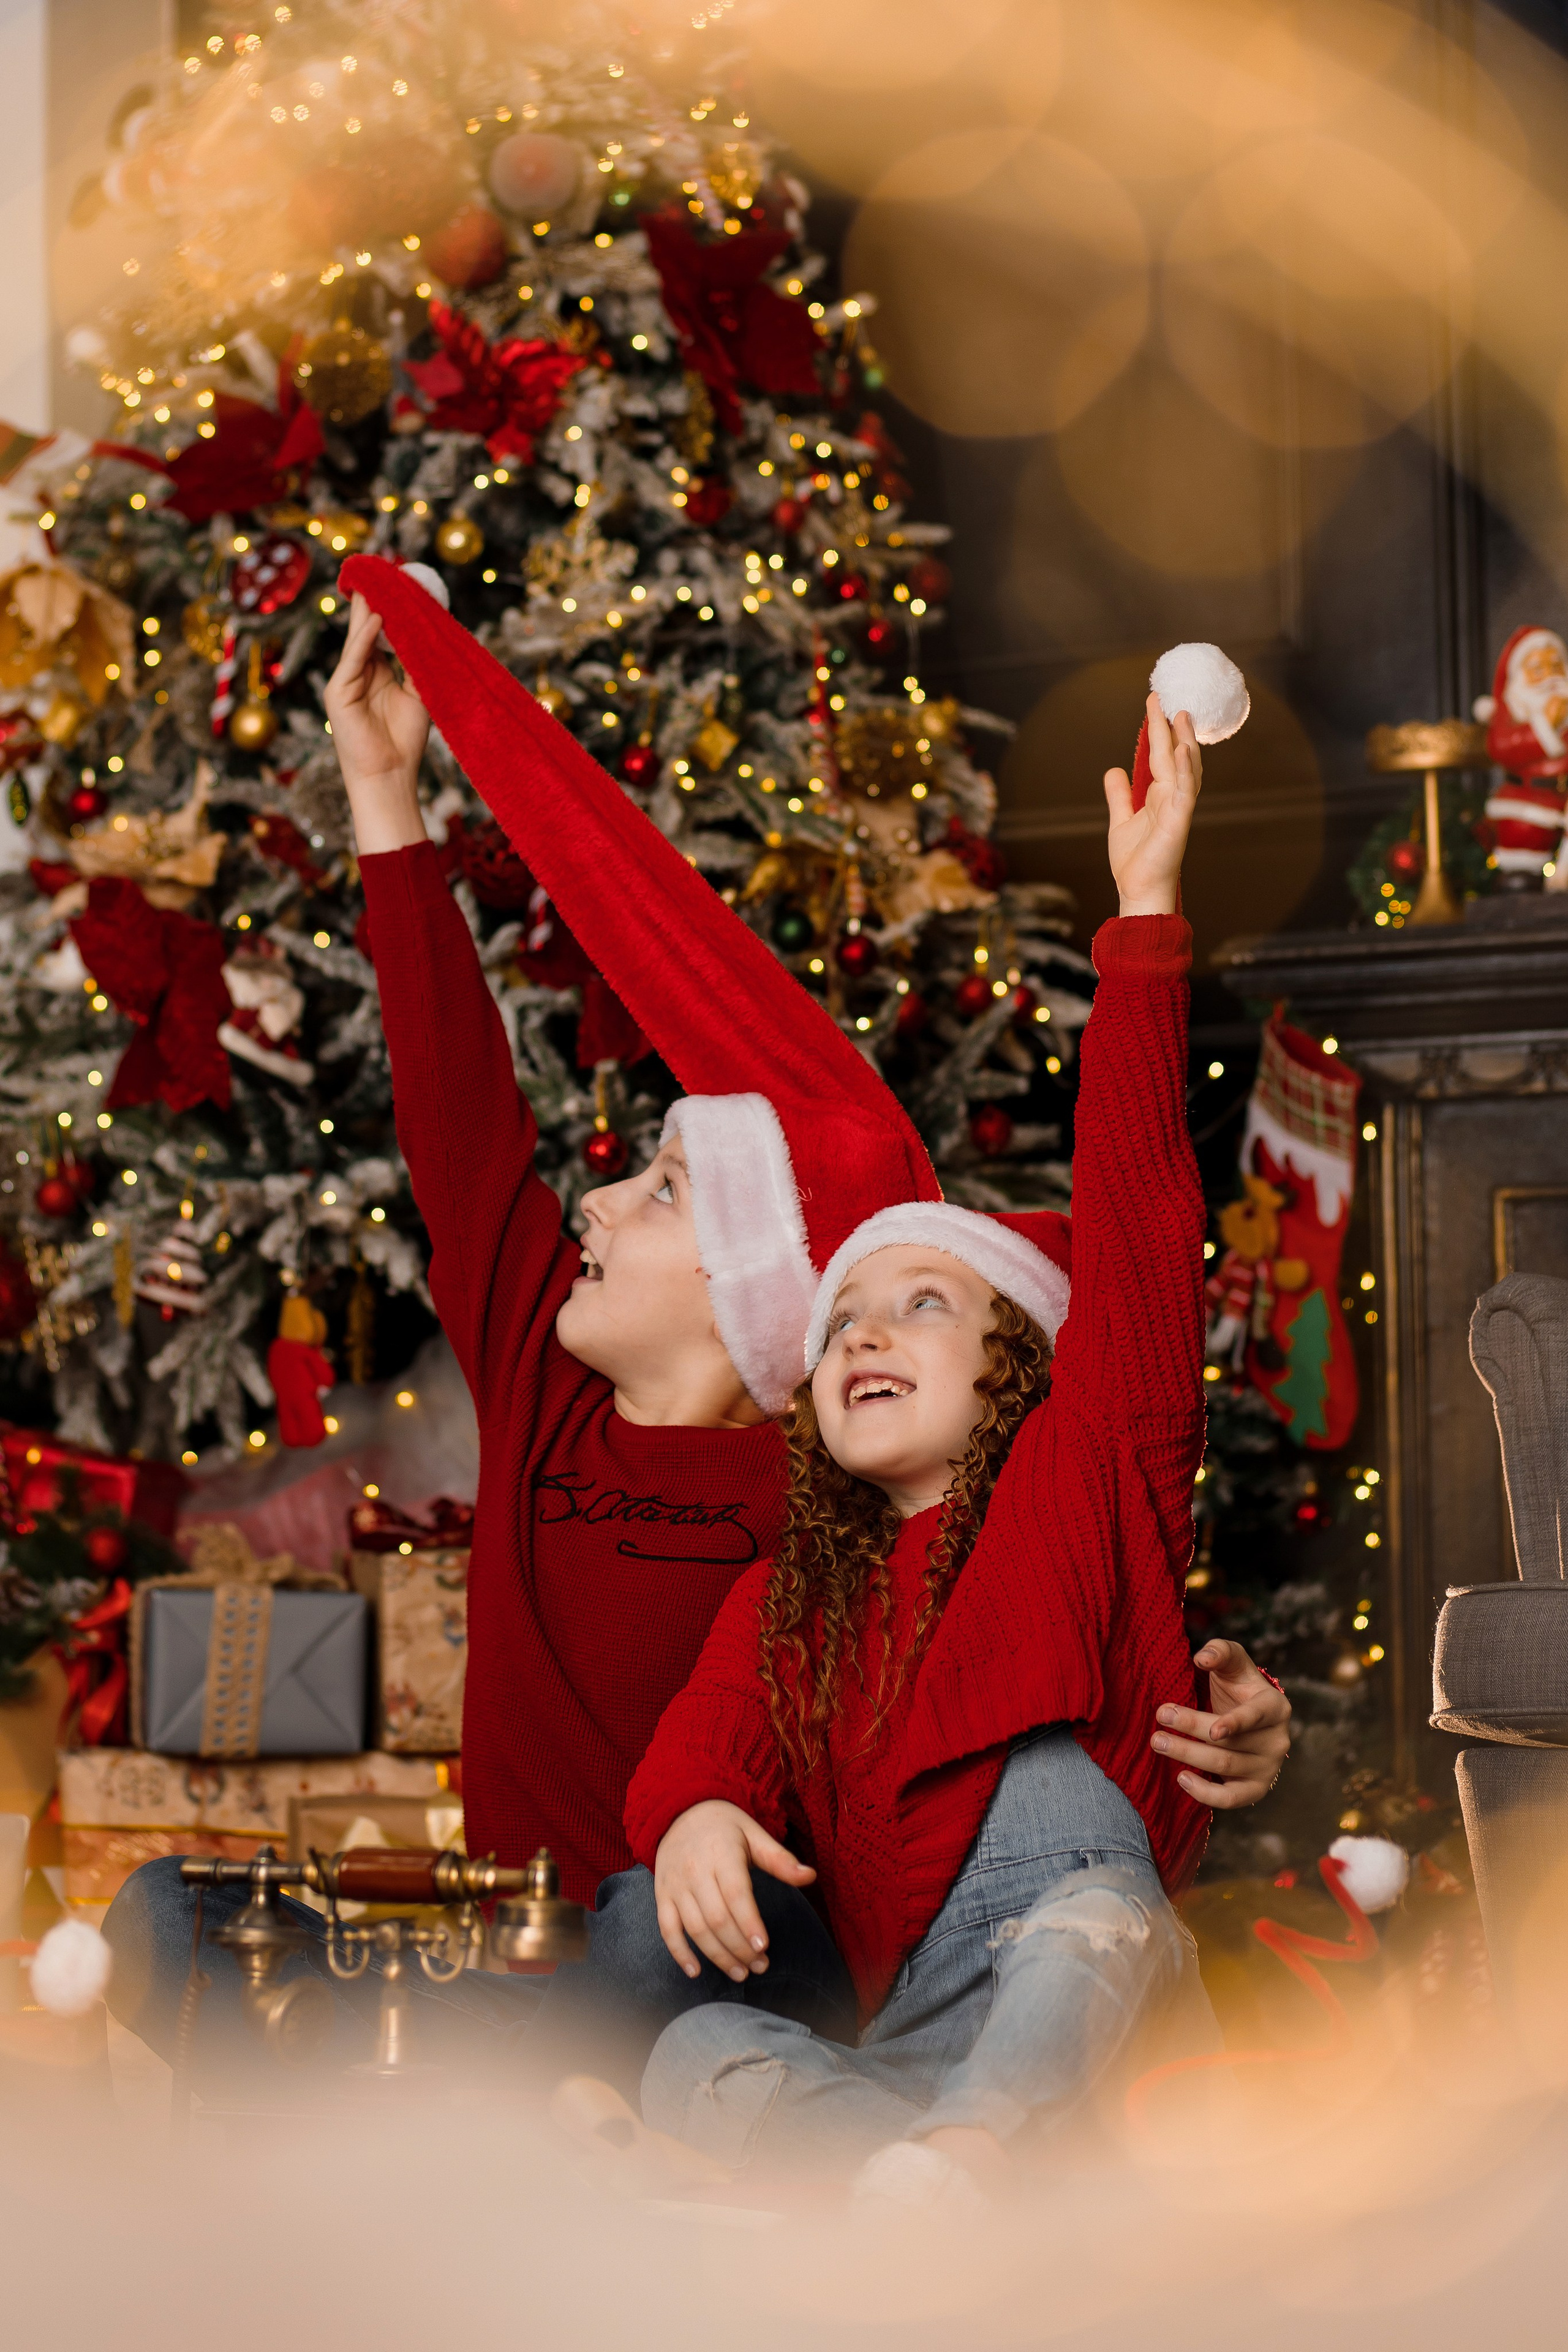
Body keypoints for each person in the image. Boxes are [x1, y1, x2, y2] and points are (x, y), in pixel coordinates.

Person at [103, 566, 1287, 2085]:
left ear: (753, 1307)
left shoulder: (833, 1503)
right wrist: (384, 793)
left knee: (630, 1942)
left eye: (663, 1192)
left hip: (744, 1953)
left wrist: (1201, 1698)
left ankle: (451, 2077)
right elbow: (461, 1129)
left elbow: (1065, 1508)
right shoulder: (545, 1393)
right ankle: (492, 2074)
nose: (592, 1203)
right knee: (170, 1913)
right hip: (539, 1936)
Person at [577, 690, 1248, 2205]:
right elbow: (710, 1735)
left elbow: (1141, 1239)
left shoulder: (1089, 1483)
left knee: (1087, 1903)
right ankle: (920, 2173)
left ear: (1019, 1366)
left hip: (1089, 2006)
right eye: (839, 1324)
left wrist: (1141, 922)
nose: (864, 1334)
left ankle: (967, 2152)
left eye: (922, 1304)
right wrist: (689, 1815)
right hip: (908, 2037)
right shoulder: (797, 1591)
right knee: (691, 2055)